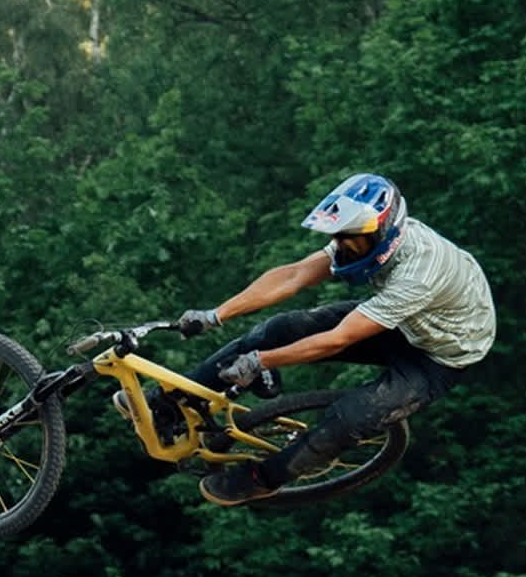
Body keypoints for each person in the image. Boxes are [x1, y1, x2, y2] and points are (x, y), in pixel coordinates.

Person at [154, 173, 496, 506]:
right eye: (339, 236)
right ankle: (175, 400)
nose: (343, 245)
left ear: (384, 232)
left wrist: (262, 361)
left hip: (439, 355)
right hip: (404, 319)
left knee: (352, 417)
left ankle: (261, 480)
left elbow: (337, 340)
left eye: (352, 238)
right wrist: (216, 314)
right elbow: (294, 275)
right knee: (283, 328)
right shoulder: (361, 240)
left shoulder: (417, 274)